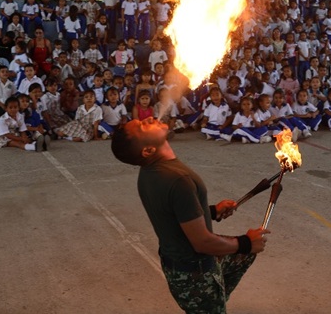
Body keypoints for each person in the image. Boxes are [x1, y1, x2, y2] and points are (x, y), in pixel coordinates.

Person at [110, 116, 269, 313]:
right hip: (196, 274)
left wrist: (210, 211)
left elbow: (172, 212)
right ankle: (209, 302)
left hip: (179, 265)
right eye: (144, 125)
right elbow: (202, 242)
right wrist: (245, 242)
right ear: (148, 150)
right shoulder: (177, 180)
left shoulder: (148, 172)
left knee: (245, 256)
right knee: (247, 249)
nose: (150, 117)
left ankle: (214, 300)